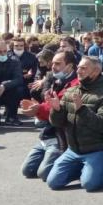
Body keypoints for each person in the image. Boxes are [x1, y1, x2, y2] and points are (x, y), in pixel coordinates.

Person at [45, 56, 103, 192]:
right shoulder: (71, 91)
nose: (79, 71)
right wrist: (56, 110)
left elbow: (102, 124)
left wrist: (82, 110)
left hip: (98, 149)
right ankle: (86, 168)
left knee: (90, 185)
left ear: (95, 71)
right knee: (53, 183)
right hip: (74, 150)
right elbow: (57, 123)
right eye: (78, 67)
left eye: (84, 68)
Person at [20, 50, 78, 180]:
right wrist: (36, 107)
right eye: (52, 63)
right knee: (27, 171)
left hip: (60, 135)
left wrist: (38, 109)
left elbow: (60, 110)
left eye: (58, 63)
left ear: (69, 66)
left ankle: (75, 165)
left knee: (44, 174)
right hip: (47, 132)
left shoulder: (75, 85)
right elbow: (48, 102)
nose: (53, 66)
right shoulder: (55, 79)